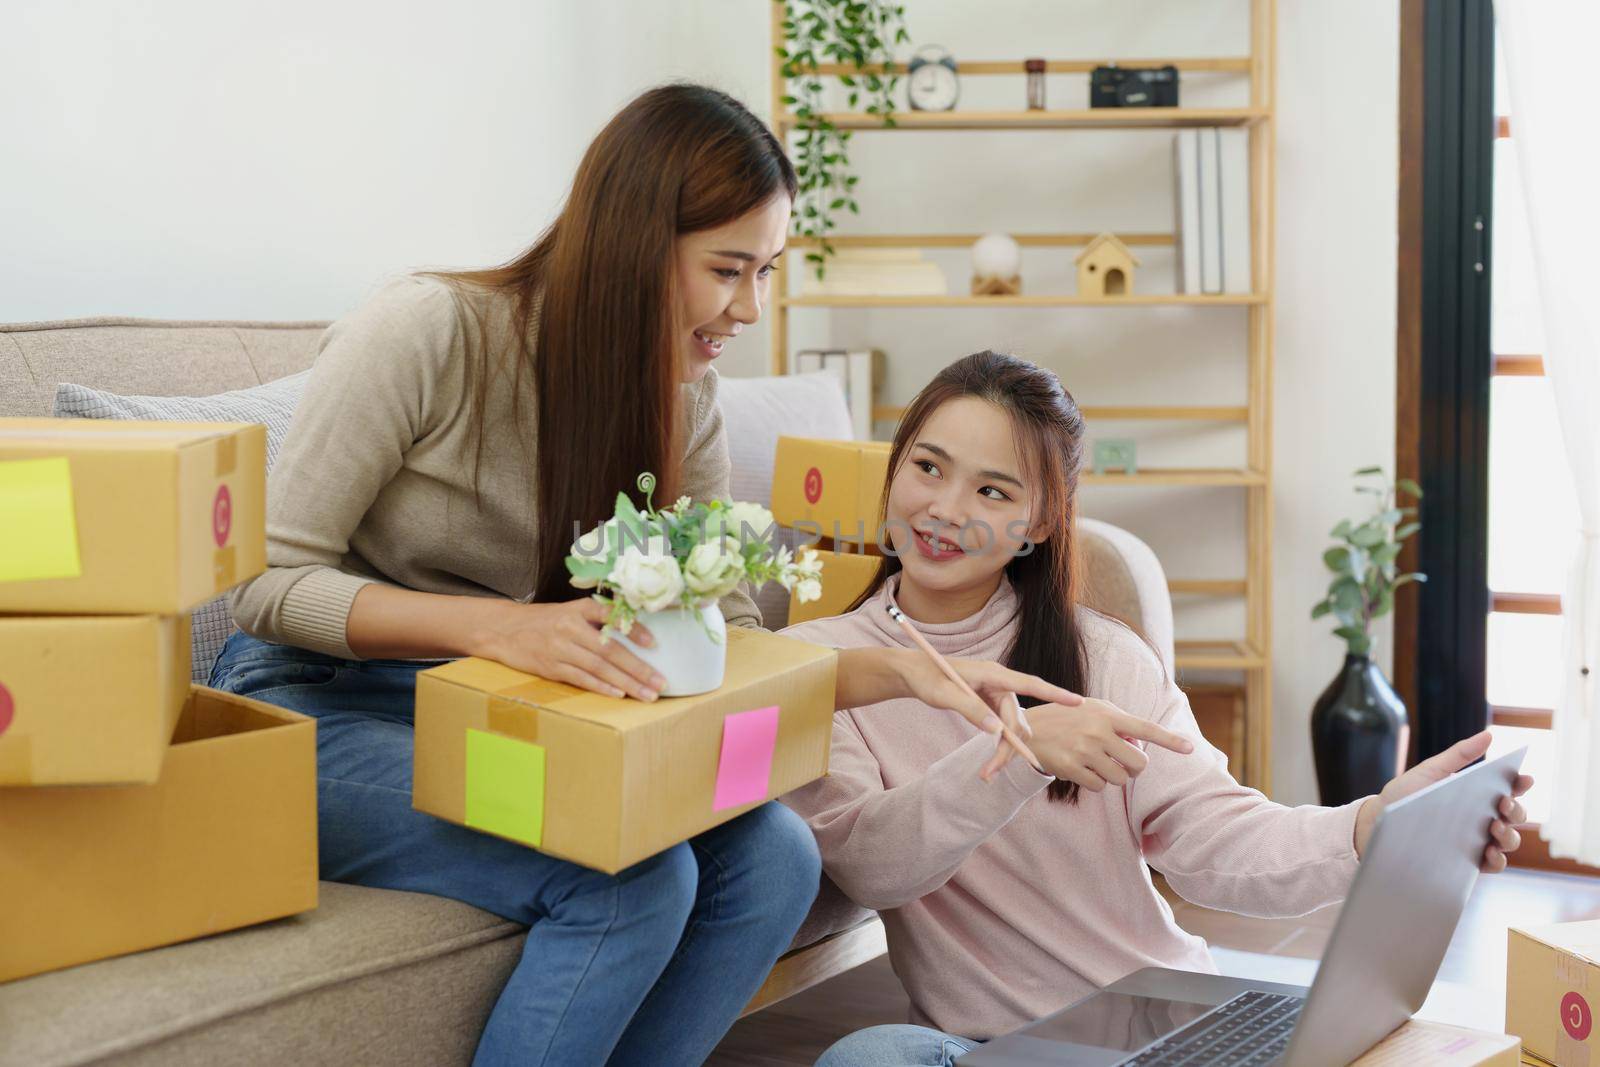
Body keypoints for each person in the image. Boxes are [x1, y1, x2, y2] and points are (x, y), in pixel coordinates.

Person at [213, 88, 1080, 1067]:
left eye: (765, 272)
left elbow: (712, 632)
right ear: (631, 240)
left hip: (512, 714)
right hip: (317, 715)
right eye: (727, 269)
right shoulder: (428, 332)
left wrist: (903, 668)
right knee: (626, 879)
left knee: (773, 859)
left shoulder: (685, 398)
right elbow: (261, 583)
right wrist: (500, 627)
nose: (749, 308)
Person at [778, 350, 1533, 1067]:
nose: (944, 509)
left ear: (1038, 524)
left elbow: (1217, 842)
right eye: (928, 466)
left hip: (1161, 1024)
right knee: (867, 1056)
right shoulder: (830, 665)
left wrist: (1369, 826)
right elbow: (872, 864)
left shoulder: (1101, 656)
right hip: (989, 1047)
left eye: (993, 490)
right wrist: (1019, 752)